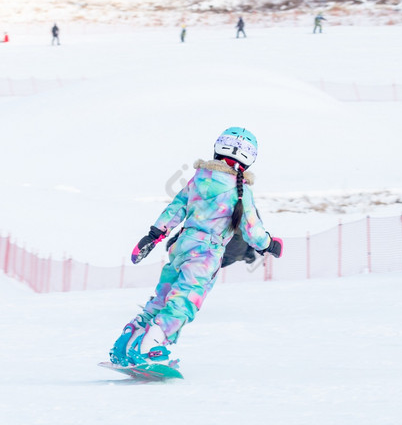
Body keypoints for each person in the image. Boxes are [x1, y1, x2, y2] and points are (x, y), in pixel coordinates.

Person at [109, 127, 283, 368]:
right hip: (206, 254)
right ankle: (150, 348)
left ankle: (128, 340)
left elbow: (176, 208)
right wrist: (270, 245)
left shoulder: (199, 178)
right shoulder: (240, 191)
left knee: (163, 296)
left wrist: (156, 233)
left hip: (182, 246)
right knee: (184, 299)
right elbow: (252, 232)